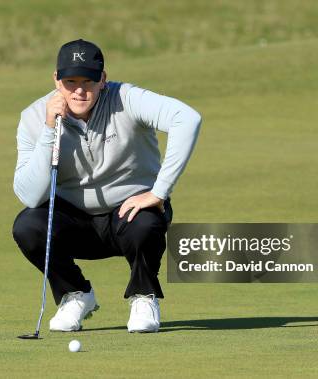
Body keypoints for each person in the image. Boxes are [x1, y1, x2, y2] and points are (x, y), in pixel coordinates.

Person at [12, 39, 201, 333]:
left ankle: (143, 296)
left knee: (146, 225)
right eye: (70, 81)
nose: (79, 90)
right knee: (28, 225)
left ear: (103, 78)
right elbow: (30, 195)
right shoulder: (35, 117)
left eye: (88, 81)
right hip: (74, 221)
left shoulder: (126, 98)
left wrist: (158, 192)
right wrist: (50, 129)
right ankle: (75, 295)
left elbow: (187, 118)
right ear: (56, 80)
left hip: (128, 214)